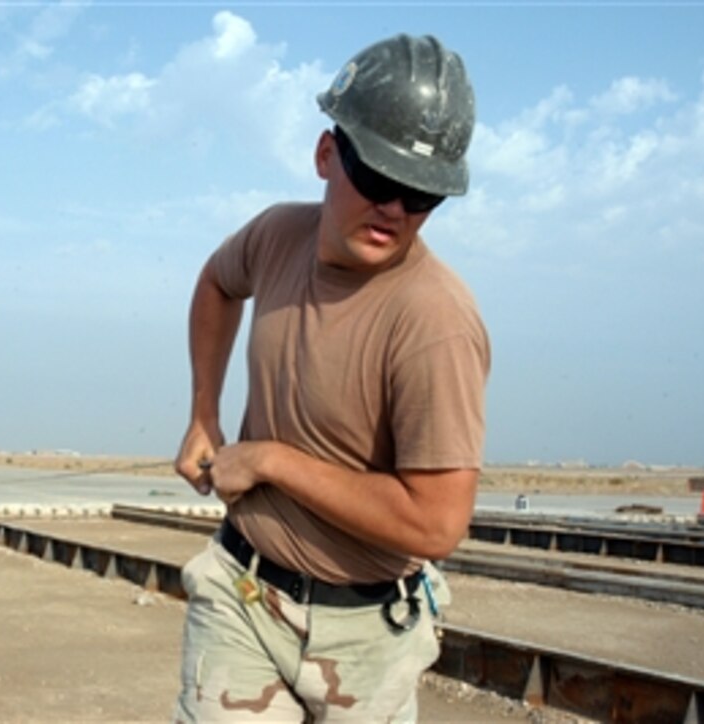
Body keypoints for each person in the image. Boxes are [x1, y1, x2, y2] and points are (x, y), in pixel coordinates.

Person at [172, 32, 490, 723]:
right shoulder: (277, 236)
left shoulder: (434, 321)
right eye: (378, 179)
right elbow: (216, 284)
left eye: (421, 196)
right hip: (244, 592)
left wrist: (271, 461)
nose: (395, 211)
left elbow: (435, 523)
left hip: (366, 635)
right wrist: (204, 412)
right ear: (326, 154)